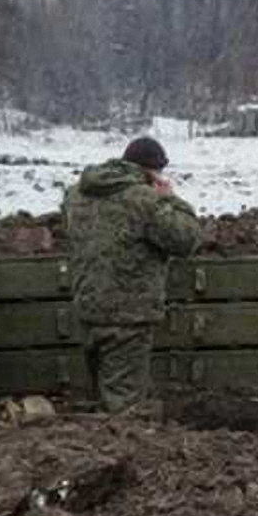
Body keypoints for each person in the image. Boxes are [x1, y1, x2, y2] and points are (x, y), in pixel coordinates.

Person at [62, 137, 200, 413]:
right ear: (151, 171)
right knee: (124, 408)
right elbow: (186, 239)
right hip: (127, 318)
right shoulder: (143, 199)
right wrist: (170, 198)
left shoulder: (76, 194)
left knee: (100, 398)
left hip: (88, 309)